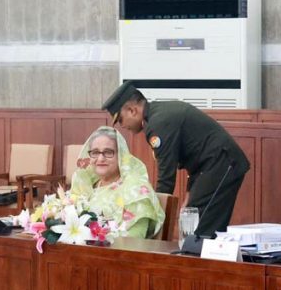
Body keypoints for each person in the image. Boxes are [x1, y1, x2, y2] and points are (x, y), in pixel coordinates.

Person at [103, 82, 249, 237]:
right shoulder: (157, 115)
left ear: (132, 110)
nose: (122, 125)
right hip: (215, 164)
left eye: (120, 120)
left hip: (223, 163)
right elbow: (196, 157)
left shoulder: (158, 123)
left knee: (200, 229)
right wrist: (189, 194)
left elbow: (166, 178)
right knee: (195, 221)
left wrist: (155, 215)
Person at [69, 126, 165, 239]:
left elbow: (135, 239)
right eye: (95, 152)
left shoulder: (135, 190)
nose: (100, 158)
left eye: (108, 152)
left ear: (121, 156)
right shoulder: (84, 186)